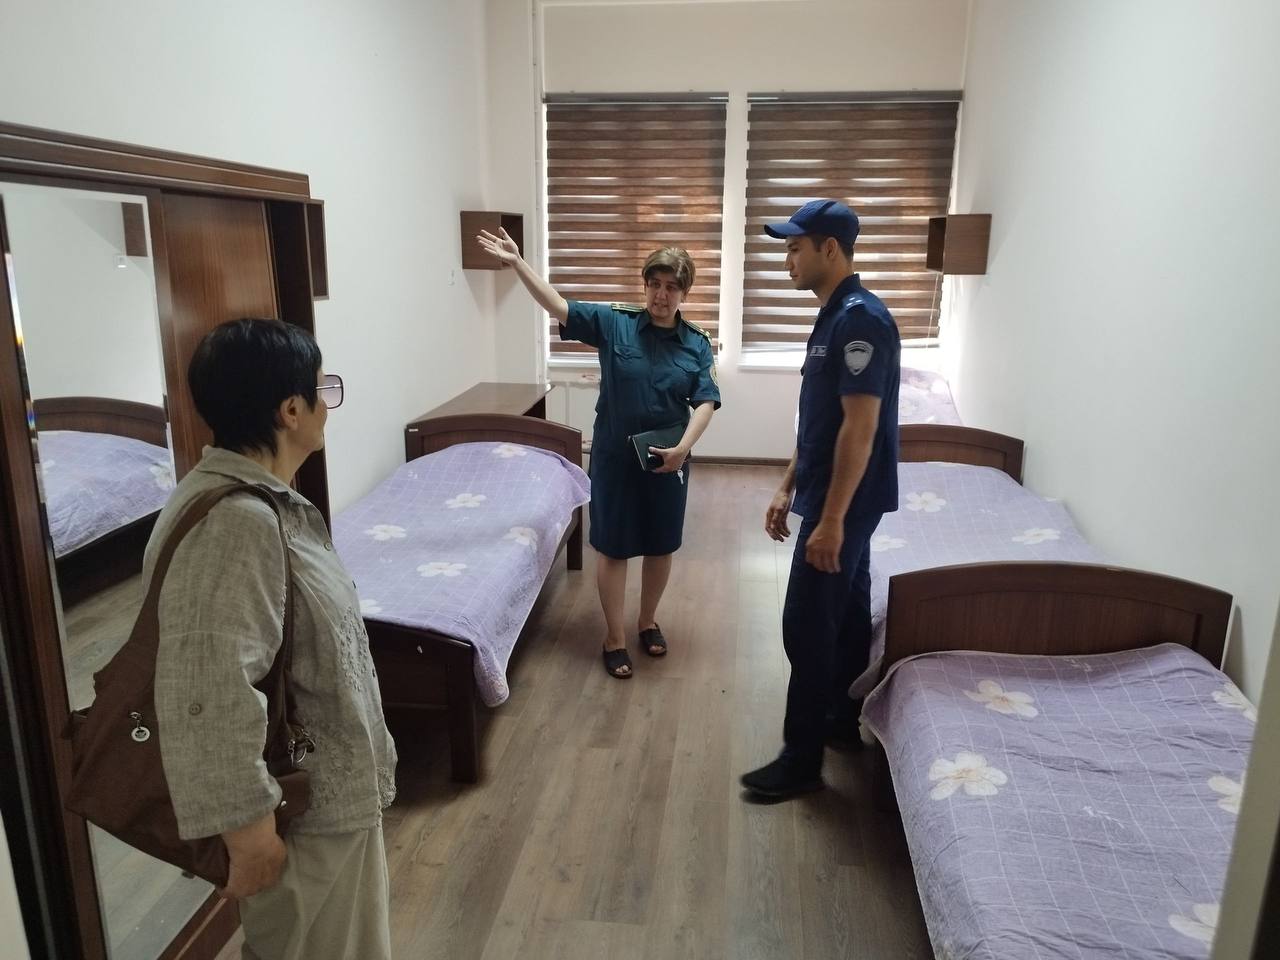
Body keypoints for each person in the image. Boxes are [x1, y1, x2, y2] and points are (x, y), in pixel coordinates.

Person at [150, 318, 397, 959]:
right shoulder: (236, 521)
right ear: (291, 409)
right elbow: (205, 687)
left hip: (326, 799)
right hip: (301, 813)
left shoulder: (257, 501)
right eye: (322, 389)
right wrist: (248, 829)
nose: (327, 405)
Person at [477, 229, 721, 678]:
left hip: (667, 460)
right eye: (654, 284)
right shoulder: (615, 322)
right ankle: (614, 636)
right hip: (614, 459)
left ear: (684, 293)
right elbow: (558, 305)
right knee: (612, 547)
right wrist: (518, 263)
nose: (661, 295)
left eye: (672, 287)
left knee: (661, 544)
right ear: (644, 285)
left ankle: (647, 621)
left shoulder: (696, 343)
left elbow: (705, 401)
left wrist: (684, 449)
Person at [740, 200, 901, 800]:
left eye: (794, 247)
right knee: (849, 612)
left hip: (846, 501)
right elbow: (820, 421)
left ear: (829, 248)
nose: (787, 259)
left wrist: (831, 520)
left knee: (805, 624)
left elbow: (859, 428)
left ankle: (801, 760)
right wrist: (788, 484)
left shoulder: (861, 321)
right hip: (831, 491)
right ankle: (839, 718)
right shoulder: (835, 315)